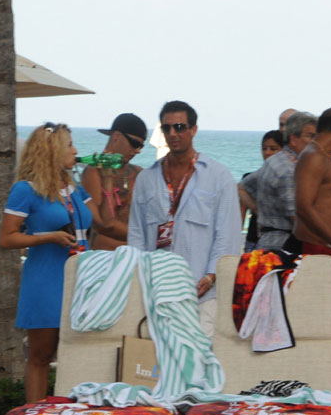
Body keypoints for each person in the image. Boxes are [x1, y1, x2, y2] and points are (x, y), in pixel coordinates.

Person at [0, 123, 113, 403]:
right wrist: (48, 237)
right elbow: (6, 238)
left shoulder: (73, 189)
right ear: (51, 151)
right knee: (41, 355)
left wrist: (107, 180)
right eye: (69, 145)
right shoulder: (26, 190)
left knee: (77, 353)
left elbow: (102, 221)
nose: (76, 150)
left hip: (80, 279)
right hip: (46, 278)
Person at [128, 101, 242, 340]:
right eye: (166, 128)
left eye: (179, 127)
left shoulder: (218, 177)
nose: (172, 134)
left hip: (201, 293)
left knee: (198, 369)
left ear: (193, 130)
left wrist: (211, 275)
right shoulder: (146, 179)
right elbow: (136, 236)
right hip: (157, 295)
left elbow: (227, 234)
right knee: (156, 370)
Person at [239, 113, 317, 251]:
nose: (314, 141)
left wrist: (261, 214)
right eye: (309, 136)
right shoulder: (287, 170)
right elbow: (297, 220)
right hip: (282, 249)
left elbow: (242, 187)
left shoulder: (275, 162)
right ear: (293, 139)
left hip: (269, 243)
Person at [289, 107, 331, 262]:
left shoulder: (322, 157)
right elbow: (303, 207)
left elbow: (319, 203)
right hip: (315, 249)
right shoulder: (314, 157)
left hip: (325, 248)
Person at [80, 113, 148, 251]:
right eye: (135, 144)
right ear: (116, 136)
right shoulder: (93, 172)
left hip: (136, 255)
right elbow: (104, 225)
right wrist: (144, 236)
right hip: (105, 257)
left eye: (141, 146)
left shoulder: (139, 173)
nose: (138, 151)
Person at [240, 130, 286, 252]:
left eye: (273, 148)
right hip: (253, 241)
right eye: (264, 148)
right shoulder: (250, 179)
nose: (267, 153)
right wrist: (258, 211)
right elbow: (241, 213)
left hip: (281, 242)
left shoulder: (287, 181)